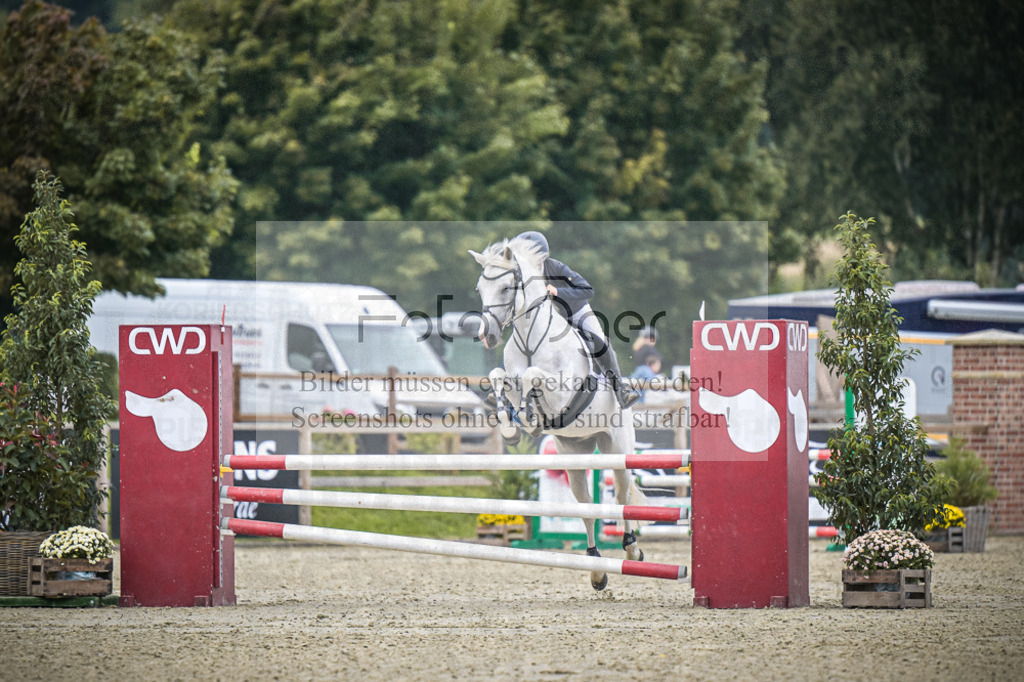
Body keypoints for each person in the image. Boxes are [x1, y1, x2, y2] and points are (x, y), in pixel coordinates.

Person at [516, 230, 640, 409]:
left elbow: (587, 290)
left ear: (541, 256)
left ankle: (621, 390)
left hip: (576, 312)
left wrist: (558, 292)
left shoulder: (556, 267)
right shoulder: (525, 277)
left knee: (600, 341)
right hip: (551, 319)